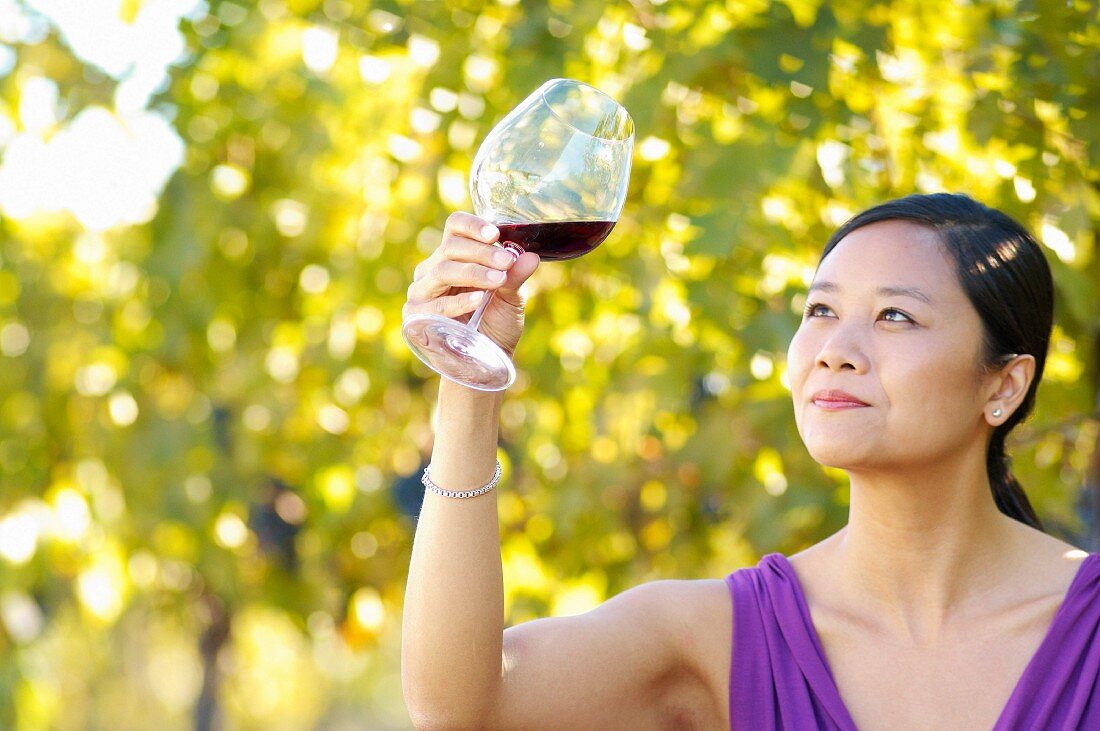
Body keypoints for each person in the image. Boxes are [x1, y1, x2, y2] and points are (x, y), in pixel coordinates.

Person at [400, 193, 1099, 730]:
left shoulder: (1084, 626)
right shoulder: (720, 635)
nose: (835, 348)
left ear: (1002, 385)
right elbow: (460, 703)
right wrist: (468, 378)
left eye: (895, 317)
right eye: (820, 310)